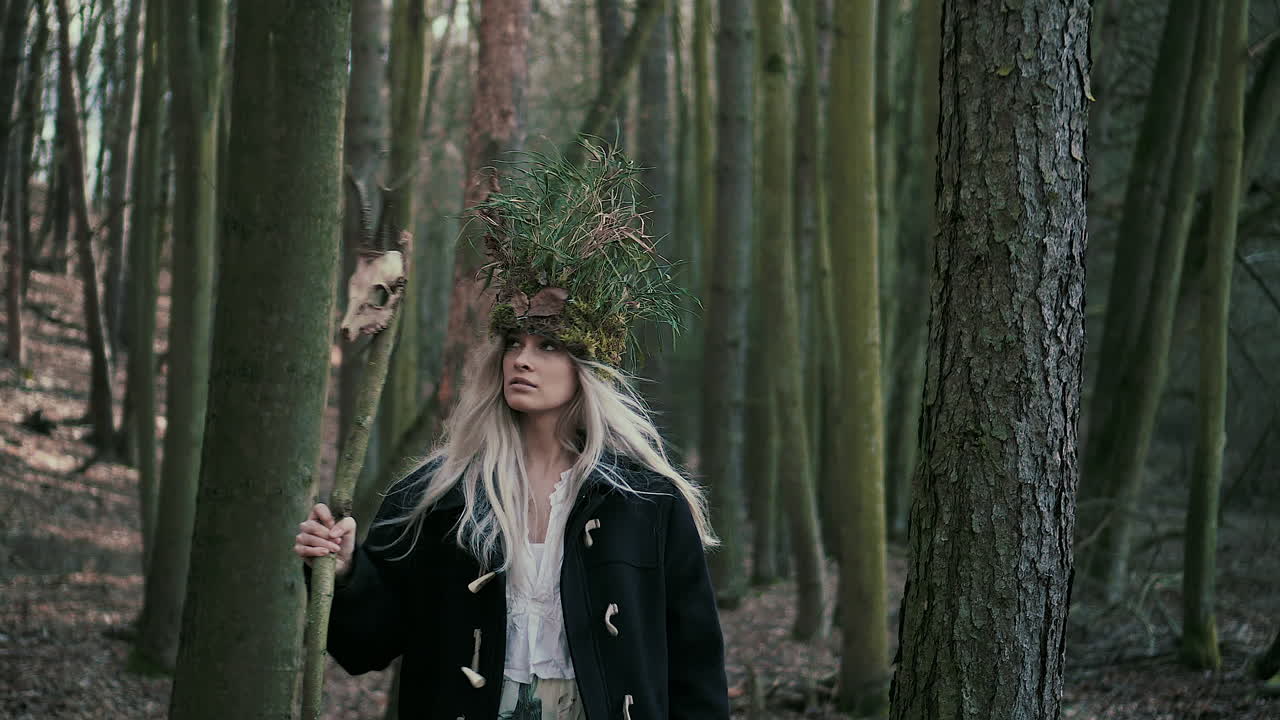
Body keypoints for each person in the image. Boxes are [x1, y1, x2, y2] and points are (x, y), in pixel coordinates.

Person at [294, 144, 728, 720]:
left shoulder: (646, 503)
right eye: (514, 344)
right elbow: (367, 645)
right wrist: (346, 571)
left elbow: (695, 668)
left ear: (587, 368)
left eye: (548, 346)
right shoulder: (441, 494)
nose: (523, 359)